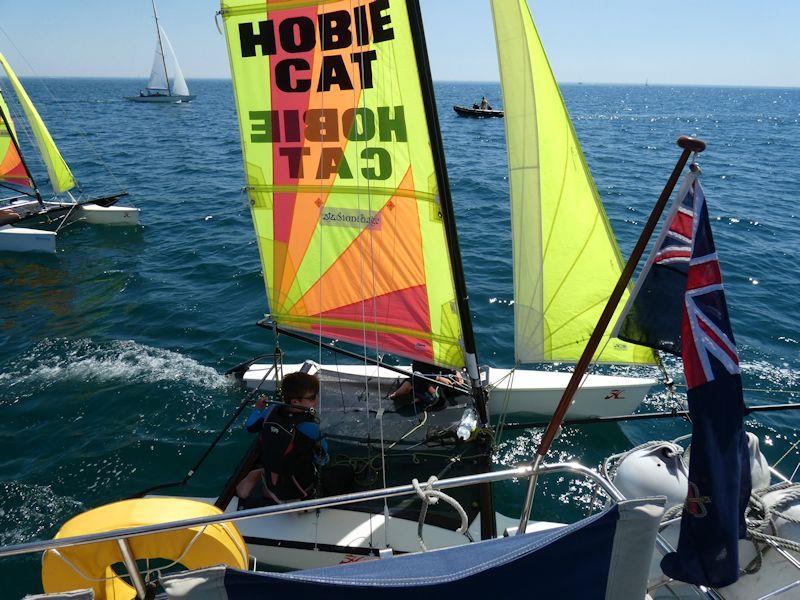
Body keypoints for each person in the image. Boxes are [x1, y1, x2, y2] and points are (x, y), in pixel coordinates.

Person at [235, 371, 329, 503]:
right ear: (295, 401)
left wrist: (257, 409)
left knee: (269, 469)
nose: (317, 399)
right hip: (298, 492)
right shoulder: (311, 428)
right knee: (344, 473)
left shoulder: (271, 410)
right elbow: (323, 459)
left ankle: (263, 488)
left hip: (272, 481)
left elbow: (250, 426)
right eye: (313, 397)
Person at [388, 359, 465, 407]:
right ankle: (410, 387)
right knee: (435, 400)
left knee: (459, 389)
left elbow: (451, 361)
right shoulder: (421, 351)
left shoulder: (443, 348)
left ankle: (411, 386)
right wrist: (438, 379)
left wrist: (456, 372)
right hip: (425, 377)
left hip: (440, 372)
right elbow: (417, 369)